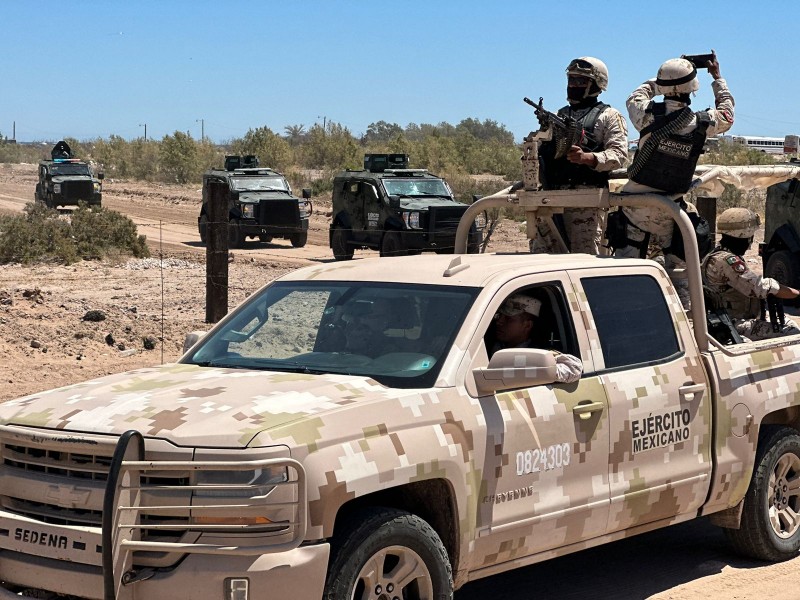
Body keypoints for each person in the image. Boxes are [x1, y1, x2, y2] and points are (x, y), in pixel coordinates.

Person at [614, 53, 735, 259]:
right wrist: (717, 78)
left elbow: (636, 95)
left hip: (634, 207)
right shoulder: (702, 123)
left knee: (625, 268)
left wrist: (665, 80)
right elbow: (727, 113)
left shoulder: (644, 115)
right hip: (671, 209)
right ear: (692, 87)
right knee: (677, 270)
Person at [533, 56, 629, 255]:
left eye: (580, 81)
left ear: (596, 84)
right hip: (552, 199)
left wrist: (589, 158)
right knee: (542, 259)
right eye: (571, 80)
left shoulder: (609, 116)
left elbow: (619, 155)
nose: (573, 86)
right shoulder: (560, 114)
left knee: (583, 261)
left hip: (586, 202)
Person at [703, 208, 799, 341]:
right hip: (733, 323)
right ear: (745, 236)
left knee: (789, 324)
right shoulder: (728, 261)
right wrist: (796, 294)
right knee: (792, 332)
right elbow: (758, 287)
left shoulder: (716, 255)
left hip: (728, 318)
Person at [489, 294, 583, 383]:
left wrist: (539, 370)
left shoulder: (538, 352)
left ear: (527, 325)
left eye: (508, 319)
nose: (499, 322)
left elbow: (574, 367)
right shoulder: (489, 345)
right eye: (499, 316)